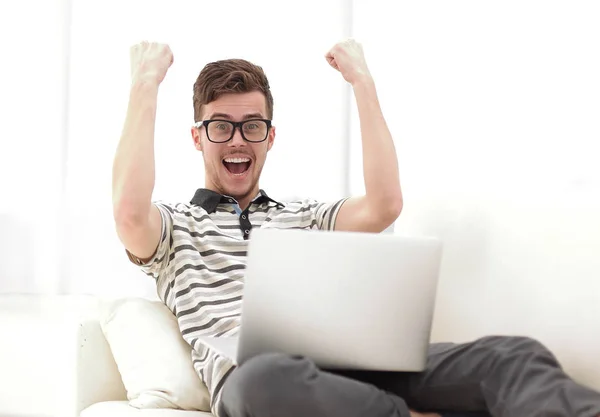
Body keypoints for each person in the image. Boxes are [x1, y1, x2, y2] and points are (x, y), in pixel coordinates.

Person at [111, 39, 600, 417]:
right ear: (198, 138)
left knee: (512, 355)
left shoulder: (304, 214)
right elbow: (130, 213)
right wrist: (144, 84)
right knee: (266, 377)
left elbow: (385, 204)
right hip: (266, 384)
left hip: (358, 370)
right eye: (221, 125)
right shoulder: (174, 226)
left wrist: (362, 82)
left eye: (252, 125)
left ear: (271, 136)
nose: (238, 139)